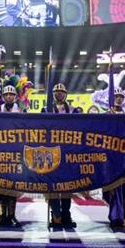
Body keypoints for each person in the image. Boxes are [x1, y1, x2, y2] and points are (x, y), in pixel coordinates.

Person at [43, 83, 80, 229]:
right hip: (51, 152)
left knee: (67, 185)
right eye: (56, 92)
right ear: (52, 94)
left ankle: (66, 214)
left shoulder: (73, 110)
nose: (59, 94)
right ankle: (56, 215)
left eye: (62, 92)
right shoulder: (45, 110)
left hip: (67, 152)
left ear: (66, 94)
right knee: (52, 185)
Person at [103, 88, 125, 230]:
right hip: (110, 157)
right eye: (116, 96)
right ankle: (115, 216)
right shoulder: (105, 115)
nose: (118, 99)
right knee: (111, 188)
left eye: (120, 96)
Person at [0, 85, 23, 227]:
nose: (9, 97)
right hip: (1, 152)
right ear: (3, 97)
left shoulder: (21, 111)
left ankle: (11, 215)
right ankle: (2, 214)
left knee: (13, 186)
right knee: (0, 185)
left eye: (11, 94)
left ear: (15, 97)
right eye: (6, 95)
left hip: (16, 152)